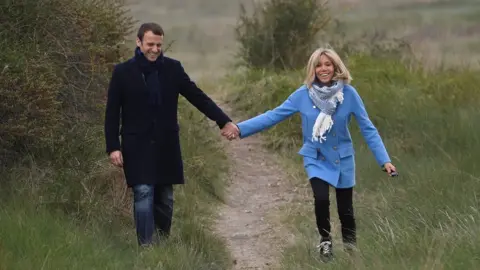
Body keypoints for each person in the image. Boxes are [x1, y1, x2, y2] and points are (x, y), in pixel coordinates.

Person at [222, 47, 396, 260]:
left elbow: (367, 128)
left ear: (336, 67)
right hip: (316, 157)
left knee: (346, 210)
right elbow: (273, 115)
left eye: (328, 64)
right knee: (321, 198)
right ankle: (325, 241)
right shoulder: (302, 95)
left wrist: (384, 160)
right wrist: (240, 128)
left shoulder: (349, 94)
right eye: (319, 65)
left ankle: (351, 251)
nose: (324, 69)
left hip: (343, 157)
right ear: (312, 69)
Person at [104, 22, 239, 246]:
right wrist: (113, 146)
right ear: (139, 43)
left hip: (166, 144)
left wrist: (223, 120)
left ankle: (162, 244)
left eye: (158, 45)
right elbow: (112, 112)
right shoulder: (122, 72)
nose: (155, 49)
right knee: (144, 192)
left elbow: (198, 97)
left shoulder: (173, 69)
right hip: (136, 144)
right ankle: (147, 247)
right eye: (150, 44)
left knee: (165, 198)